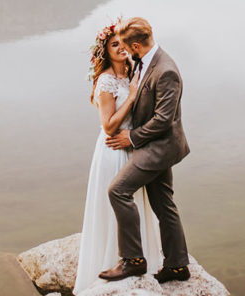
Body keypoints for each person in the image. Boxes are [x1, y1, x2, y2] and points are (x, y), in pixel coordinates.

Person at [73, 21, 164, 294]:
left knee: (135, 203)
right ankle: (117, 261)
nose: (121, 48)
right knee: (117, 202)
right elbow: (109, 125)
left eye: (123, 43)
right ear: (106, 52)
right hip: (113, 150)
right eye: (114, 45)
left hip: (133, 148)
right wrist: (132, 97)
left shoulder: (134, 72)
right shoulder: (106, 81)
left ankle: (138, 258)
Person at [99, 16, 191, 284]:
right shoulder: (145, 61)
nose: (126, 53)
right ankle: (177, 266)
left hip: (159, 147)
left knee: (118, 190)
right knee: (164, 205)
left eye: (128, 48)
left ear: (137, 46)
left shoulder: (166, 70)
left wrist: (132, 138)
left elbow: (164, 119)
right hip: (153, 144)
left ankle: (133, 260)